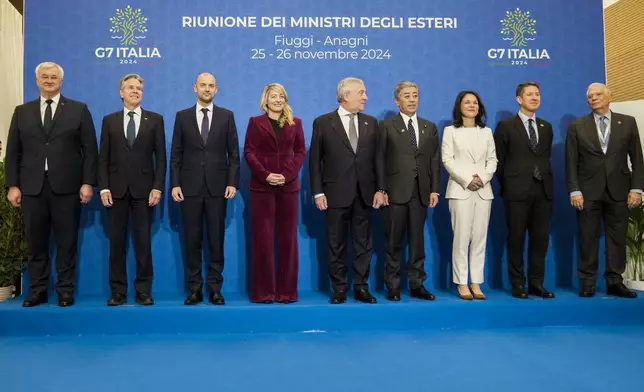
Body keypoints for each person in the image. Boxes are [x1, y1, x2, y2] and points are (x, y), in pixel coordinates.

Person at [4, 61, 98, 307]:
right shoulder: (22, 112)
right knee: (36, 243)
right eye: (44, 77)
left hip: (67, 188)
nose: (48, 80)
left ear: (61, 81)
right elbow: (13, 151)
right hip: (32, 188)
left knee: (67, 242)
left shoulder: (78, 110)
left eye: (53, 77)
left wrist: (88, 182)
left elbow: (90, 151)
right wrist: (12, 185)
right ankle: (38, 290)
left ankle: (65, 290)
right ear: (37, 81)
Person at [309, 77, 385, 304]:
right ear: (345, 96)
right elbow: (315, 162)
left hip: (365, 193)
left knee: (364, 243)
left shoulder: (371, 122)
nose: (365, 97)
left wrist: (381, 188)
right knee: (336, 243)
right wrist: (318, 192)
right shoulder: (323, 122)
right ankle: (339, 288)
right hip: (334, 194)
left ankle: (361, 287)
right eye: (361, 93)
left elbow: (378, 159)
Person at [565, 82, 643, 298]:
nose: (594, 98)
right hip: (587, 192)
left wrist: (637, 188)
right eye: (590, 96)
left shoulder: (627, 123)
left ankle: (615, 281)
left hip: (620, 190)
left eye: (598, 94)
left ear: (610, 96)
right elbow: (571, 162)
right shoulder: (577, 126)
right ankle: (588, 281)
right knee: (587, 237)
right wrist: (574, 190)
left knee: (617, 238)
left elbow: (637, 157)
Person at [170, 72, 240, 305]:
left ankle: (215, 288)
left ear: (216, 90)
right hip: (189, 188)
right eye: (203, 85)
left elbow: (234, 154)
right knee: (192, 240)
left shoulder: (226, 116)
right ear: (195, 88)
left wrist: (232, 182)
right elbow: (176, 154)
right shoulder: (182, 116)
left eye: (211, 86)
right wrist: (175, 183)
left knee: (216, 240)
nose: (207, 89)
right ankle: (194, 288)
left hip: (218, 188)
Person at [98, 73, 166, 306]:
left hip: (144, 193)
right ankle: (117, 292)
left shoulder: (155, 120)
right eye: (130, 88)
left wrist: (158, 187)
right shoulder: (109, 120)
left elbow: (162, 158)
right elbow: (103, 158)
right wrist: (103, 188)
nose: (135, 91)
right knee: (116, 244)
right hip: (115, 192)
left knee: (143, 244)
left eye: (138, 88)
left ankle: (143, 291)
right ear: (121, 92)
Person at [376, 81, 440, 301]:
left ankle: (417, 284)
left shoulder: (429, 126)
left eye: (415, 95)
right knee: (393, 241)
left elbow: (434, 160)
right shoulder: (386, 126)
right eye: (407, 96)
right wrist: (381, 189)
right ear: (397, 100)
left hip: (421, 192)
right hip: (394, 192)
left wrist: (434, 189)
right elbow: (379, 160)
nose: (412, 100)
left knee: (417, 241)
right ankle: (393, 285)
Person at [244, 83, 305, 304]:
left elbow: (300, 152)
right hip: (262, 187)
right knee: (263, 240)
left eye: (281, 96)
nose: (278, 99)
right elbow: (249, 152)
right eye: (273, 96)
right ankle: (264, 292)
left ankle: (287, 292)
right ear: (266, 100)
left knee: (288, 240)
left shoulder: (295, 123)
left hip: (289, 188)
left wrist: (286, 175)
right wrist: (266, 175)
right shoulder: (255, 123)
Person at [494, 81, 555, 299]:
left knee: (540, 240)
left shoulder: (546, 127)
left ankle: (537, 284)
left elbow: (544, 158)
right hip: (517, 192)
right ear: (519, 99)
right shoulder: (506, 126)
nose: (535, 98)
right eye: (529, 94)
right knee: (516, 239)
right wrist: (510, 184)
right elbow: (498, 162)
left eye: (537, 94)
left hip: (543, 191)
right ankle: (517, 283)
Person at [442, 91, 497, 300]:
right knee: (461, 237)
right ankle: (462, 282)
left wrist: (482, 178)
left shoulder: (486, 132)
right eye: (467, 102)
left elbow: (492, 160)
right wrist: (467, 180)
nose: (471, 105)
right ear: (460, 106)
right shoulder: (450, 131)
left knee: (479, 238)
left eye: (475, 102)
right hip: (460, 190)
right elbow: (448, 160)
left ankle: (476, 282)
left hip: (483, 191)